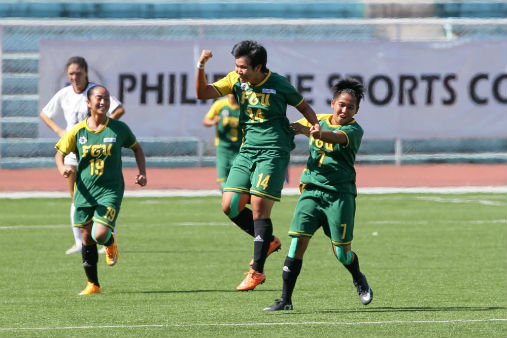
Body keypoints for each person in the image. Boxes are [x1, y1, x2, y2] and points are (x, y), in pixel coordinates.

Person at [196, 40, 320, 291]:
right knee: (229, 205)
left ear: (259, 67)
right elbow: (203, 93)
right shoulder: (235, 80)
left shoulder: (279, 83)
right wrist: (200, 66)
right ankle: (268, 242)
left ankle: (257, 271)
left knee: (259, 208)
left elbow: (304, 106)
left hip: (273, 151)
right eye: (236, 66)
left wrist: (314, 124)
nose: (238, 71)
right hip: (247, 150)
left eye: (243, 67)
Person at [263, 78, 372, 311]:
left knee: (342, 253)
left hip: (339, 195)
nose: (344, 110)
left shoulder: (353, 130)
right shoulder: (319, 119)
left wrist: (310, 132)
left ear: (356, 111)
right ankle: (285, 300)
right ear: (332, 103)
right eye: (341, 104)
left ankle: (358, 278)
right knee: (297, 243)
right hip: (312, 191)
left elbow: (334, 137)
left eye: (350, 107)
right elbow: (290, 126)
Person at [54, 85, 146, 295]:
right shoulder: (78, 131)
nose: (103, 102)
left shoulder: (118, 128)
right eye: (98, 98)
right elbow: (59, 153)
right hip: (84, 191)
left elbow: (137, 148)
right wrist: (63, 168)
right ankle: (93, 284)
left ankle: (110, 242)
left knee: (100, 233)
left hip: (110, 190)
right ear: (88, 102)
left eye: (106, 98)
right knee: (86, 237)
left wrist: (142, 173)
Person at [40, 56, 125, 255]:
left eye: (78, 73)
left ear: (86, 73)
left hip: (94, 152)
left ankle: (107, 235)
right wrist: (60, 132)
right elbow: (45, 114)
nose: (75, 77)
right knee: (76, 198)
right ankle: (79, 241)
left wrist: (104, 127)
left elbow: (119, 109)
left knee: (101, 195)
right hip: (73, 151)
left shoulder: (95, 92)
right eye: (71, 74)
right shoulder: (65, 93)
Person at [202, 94, 242, 192]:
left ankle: (234, 202)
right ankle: (229, 201)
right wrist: (213, 122)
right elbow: (206, 121)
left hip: (240, 149)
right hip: (223, 147)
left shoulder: (245, 105)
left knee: (239, 181)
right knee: (224, 181)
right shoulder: (220, 105)